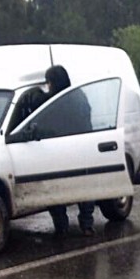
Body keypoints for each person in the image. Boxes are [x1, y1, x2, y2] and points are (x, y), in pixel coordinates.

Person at [43, 64, 97, 236]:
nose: (47, 86)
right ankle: (86, 224)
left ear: (53, 82)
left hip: (58, 152)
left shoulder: (53, 101)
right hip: (82, 149)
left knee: (56, 190)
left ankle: (61, 226)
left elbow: (47, 127)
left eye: (48, 82)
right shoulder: (79, 96)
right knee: (84, 188)